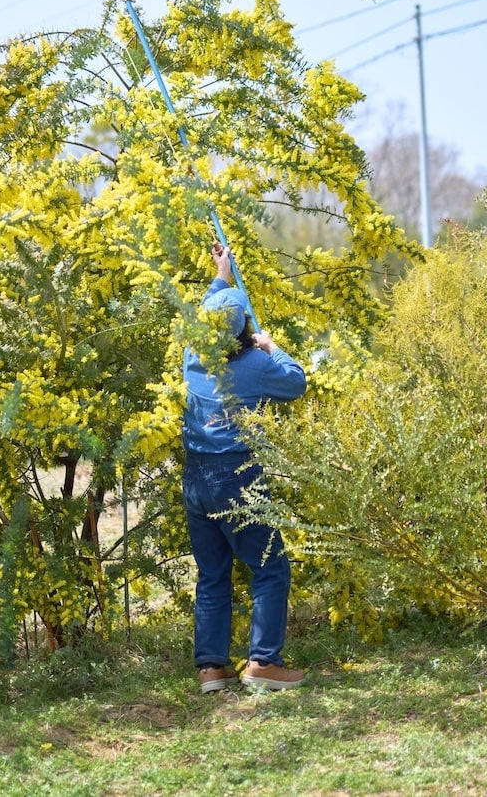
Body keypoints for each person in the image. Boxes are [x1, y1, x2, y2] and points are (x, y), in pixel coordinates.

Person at [182, 242, 308, 693]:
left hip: (196, 477)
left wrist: (222, 274)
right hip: (237, 476)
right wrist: (274, 348)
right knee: (271, 567)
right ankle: (263, 664)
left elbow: (209, 309)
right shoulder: (256, 364)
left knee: (212, 573)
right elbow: (296, 383)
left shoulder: (192, 355)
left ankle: (211, 669)